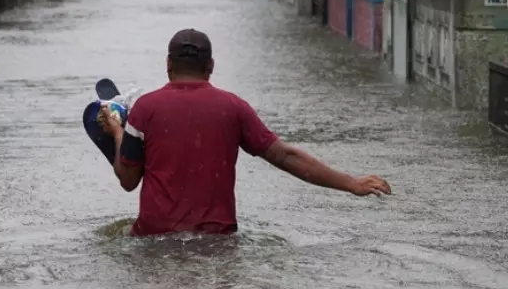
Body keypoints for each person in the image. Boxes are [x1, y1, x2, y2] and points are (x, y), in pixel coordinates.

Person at [100, 28, 391, 236]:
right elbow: (285, 156)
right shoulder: (233, 107)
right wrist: (352, 183)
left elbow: (128, 181)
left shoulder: (144, 109)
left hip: (155, 239)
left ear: (168, 64)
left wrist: (117, 133)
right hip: (218, 241)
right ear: (211, 66)